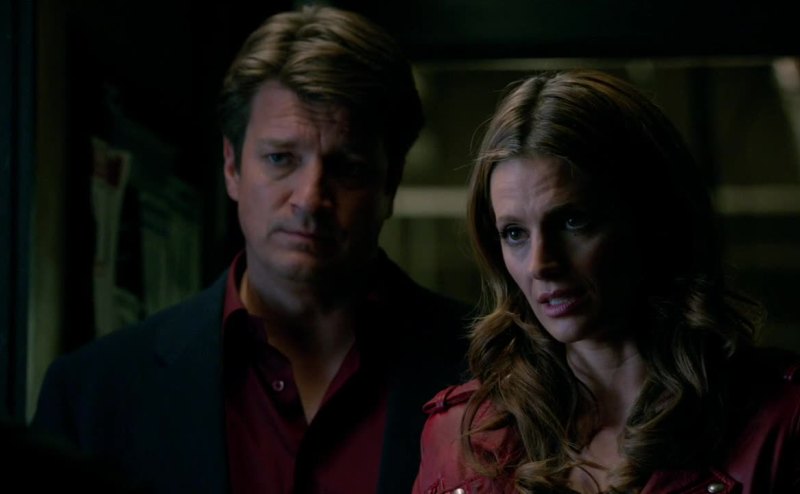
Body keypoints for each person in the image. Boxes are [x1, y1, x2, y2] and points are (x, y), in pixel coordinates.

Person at [31, 5, 471, 494]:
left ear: (390, 184)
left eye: (347, 167)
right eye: (281, 158)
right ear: (231, 166)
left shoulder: (488, 370)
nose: (310, 198)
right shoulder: (92, 394)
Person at [412, 70, 800, 494]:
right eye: (515, 233)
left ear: (652, 218)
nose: (541, 264)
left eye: (573, 221)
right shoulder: (462, 439)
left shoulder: (781, 420)